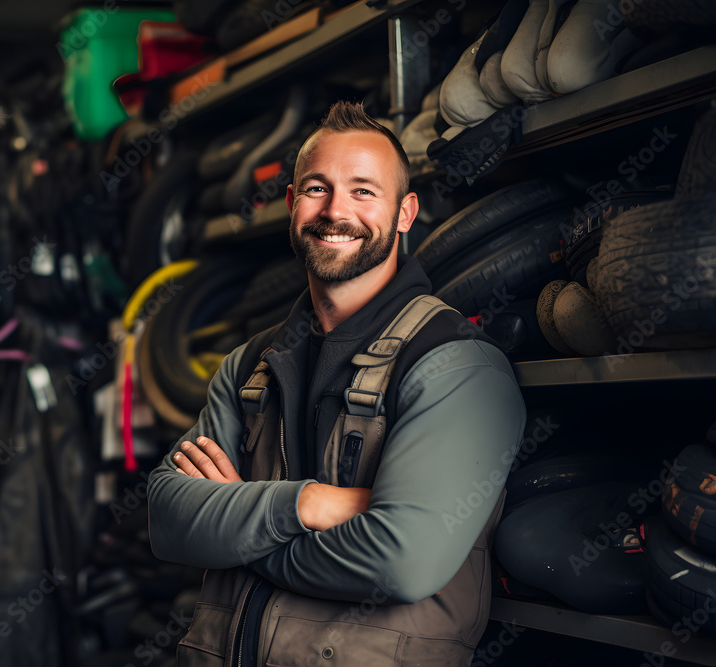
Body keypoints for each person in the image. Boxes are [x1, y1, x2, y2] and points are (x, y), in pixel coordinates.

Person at [147, 101, 527, 666]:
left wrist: (242, 539)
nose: (335, 211)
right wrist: (308, 504)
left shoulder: (456, 366)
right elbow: (168, 518)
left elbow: (401, 562)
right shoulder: (249, 364)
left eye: (364, 191)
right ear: (292, 203)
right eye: (317, 188)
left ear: (405, 212)